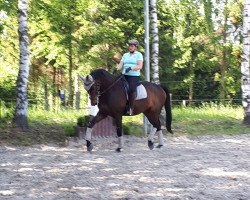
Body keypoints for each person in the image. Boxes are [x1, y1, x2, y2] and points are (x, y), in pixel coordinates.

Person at [113, 39, 143, 115]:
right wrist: (117, 68)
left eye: (132, 46)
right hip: (124, 75)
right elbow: (121, 64)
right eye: (129, 46)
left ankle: (131, 108)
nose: (130, 47)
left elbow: (140, 66)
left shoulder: (139, 55)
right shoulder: (125, 55)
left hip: (134, 76)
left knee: (131, 89)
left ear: (136, 47)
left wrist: (131, 68)